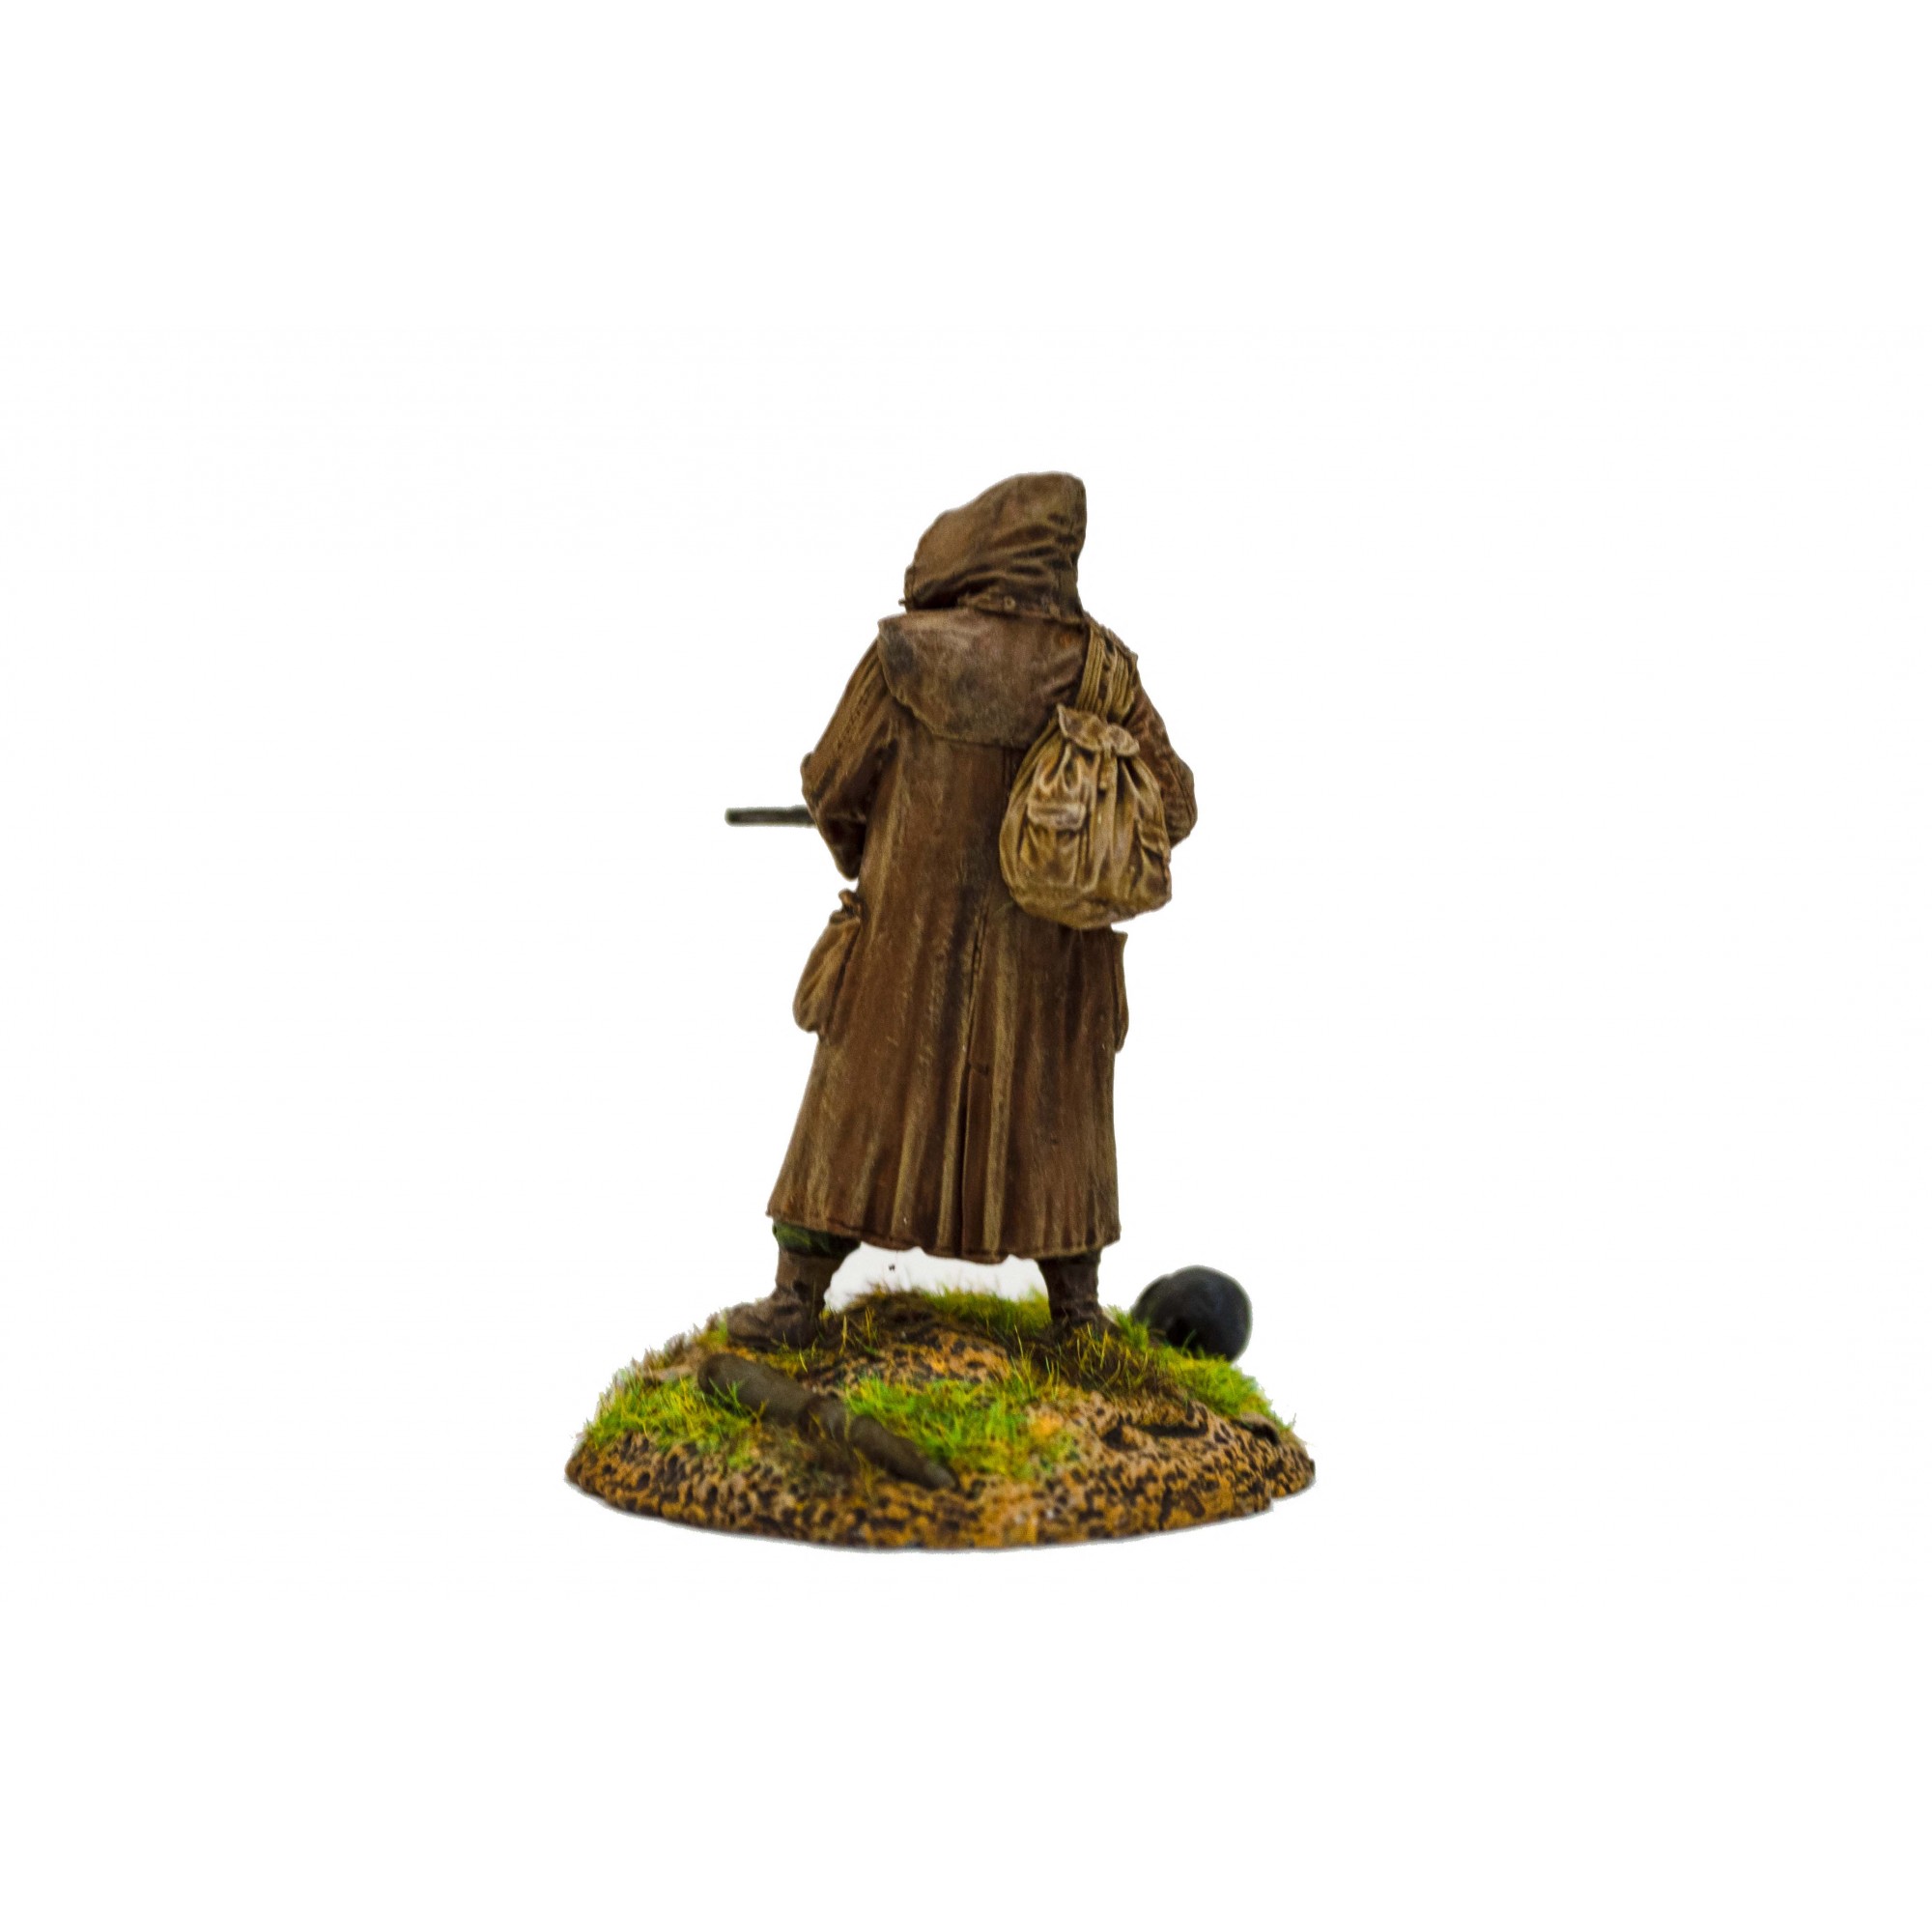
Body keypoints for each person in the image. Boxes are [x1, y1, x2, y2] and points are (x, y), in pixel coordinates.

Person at [726, 473, 1196, 1345]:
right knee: (1057, 1122)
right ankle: (1078, 1315)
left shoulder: (906, 655)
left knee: (857, 1110)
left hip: (905, 950)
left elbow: (833, 781)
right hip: (1054, 964)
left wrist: (874, 861)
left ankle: (796, 1300)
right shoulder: (1104, 670)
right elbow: (1174, 806)